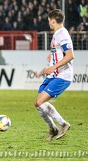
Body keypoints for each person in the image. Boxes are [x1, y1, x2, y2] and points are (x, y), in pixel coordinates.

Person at [34, 9, 74, 141]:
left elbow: (70, 55)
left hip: (62, 75)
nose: (49, 24)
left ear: (53, 20)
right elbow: (59, 53)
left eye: (49, 21)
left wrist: (53, 67)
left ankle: (63, 124)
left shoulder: (62, 34)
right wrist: (52, 57)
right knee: (38, 104)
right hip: (54, 75)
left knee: (40, 101)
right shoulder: (57, 34)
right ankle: (53, 129)